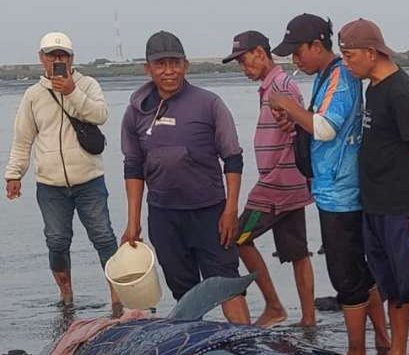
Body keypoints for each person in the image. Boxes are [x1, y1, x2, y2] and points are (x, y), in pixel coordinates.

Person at [268, 14, 389, 355]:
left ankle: (356, 352)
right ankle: (381, 342)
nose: (295, 60)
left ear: (317, 45)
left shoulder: (341, 76)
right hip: (331, 187)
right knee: (360, 272)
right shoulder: (327, 76)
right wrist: (294, 117)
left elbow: (325, 129)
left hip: (341, 191)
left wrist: (289, 105)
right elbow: (316, 125)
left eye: (297, 52)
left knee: (345, 276)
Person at [119, 31, 250, 323]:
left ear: (186, 65)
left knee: (227, 284)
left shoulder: (209, 103)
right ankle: (194, 353)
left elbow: (233, 158)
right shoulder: (135, 112)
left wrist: (231, 210)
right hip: (164, 216)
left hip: (210, 213)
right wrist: (132, 222)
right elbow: (133, 167)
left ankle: (247, 349)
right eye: (161, 64)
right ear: (148, 69)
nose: (169, 71)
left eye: (175, 63)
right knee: (183, 291)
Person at [339, 18, 409, 355]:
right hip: (375, 203)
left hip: (403, 204)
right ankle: (397, 351)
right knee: (392, 281)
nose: (346, 62)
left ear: (372, 53)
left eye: (350, 55)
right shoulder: (373, 87)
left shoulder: (404, 94)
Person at [5, 32, 120, 312]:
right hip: (50, 185)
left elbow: (100, 115)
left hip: (89, 180)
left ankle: (118, 299)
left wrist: (71, 91)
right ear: (41, 58)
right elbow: (23, 138)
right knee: (56, 242)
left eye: (63, 55)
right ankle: (66, 295)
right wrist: (14, 174)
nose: (57, 59)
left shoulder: (88, 85)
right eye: (52, 55)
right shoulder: (33, 95)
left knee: (104, 237)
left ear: (72, 58)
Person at [223, 31, 316, 328]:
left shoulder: (280, 86)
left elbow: (295, 125)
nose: (243, 67)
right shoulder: (274, 85)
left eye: (244, 60)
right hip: (290, 184)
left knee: (238, 237)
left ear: (260, 53)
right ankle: (308, 318)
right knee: (298, 252)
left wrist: (277, 170)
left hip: (277, 185)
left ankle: (274, 306)